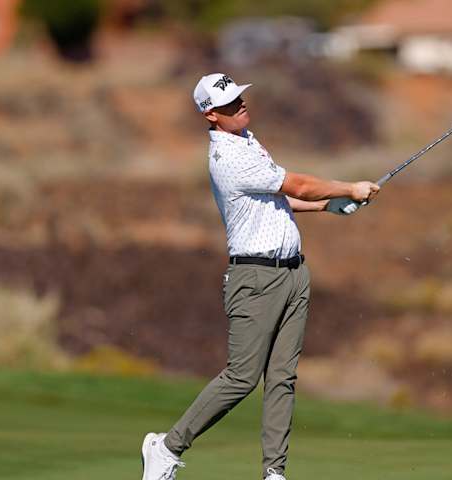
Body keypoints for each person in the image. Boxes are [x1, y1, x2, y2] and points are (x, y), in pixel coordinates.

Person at [141, 73, 380, 480]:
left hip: (292, 274)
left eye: (240, 98)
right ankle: (166, 447)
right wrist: (349, 188)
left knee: (282, 379)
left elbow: (278, 197)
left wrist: (328, 206)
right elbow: (298, 185)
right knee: (242, 377)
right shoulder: (229, 156)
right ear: (211, 115)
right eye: (231, 104)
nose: (241, 106)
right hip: (255, 280)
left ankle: (274, 472)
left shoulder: (247, 141)